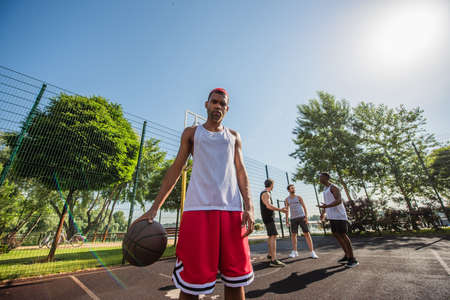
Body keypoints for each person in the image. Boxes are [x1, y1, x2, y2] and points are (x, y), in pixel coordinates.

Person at [134, 88, 255, 299]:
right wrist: (155, 208)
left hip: (231, 211)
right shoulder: (191, 133)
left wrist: (250, 207)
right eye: (214, 102)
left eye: (222, 104)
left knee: (236, 281)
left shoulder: (234, 137)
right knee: (192, 285)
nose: (218, 106)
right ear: (206, 104)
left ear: (227, 109)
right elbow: (176, 169)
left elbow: (241, 172)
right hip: (197, 211)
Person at [318, 172, 359, 268]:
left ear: (326, 178)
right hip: (332, 216)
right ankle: (347, 255)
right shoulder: (325, 189)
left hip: (339, 216)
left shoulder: (333, 187)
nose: (319, 179)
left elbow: (339, 200)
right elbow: (326, 203)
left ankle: (353, 259)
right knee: (336, 234)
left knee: (343, 235)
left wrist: (326, 206)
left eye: (321, 177)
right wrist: (323, 212)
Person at [284, 184, 318, 259]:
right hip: (293, 219)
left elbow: (304, 207)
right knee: (293, 235)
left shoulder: (299, 197)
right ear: (289, 190)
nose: (293, 189)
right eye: (292, 188)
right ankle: (295, 251)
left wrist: (306, 217)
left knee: (306, 234)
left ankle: (312, 252)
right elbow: (287, 210)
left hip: (301, 217)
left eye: (294, 188)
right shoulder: (287, 199)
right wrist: (287, 220)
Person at [260, 179, 287, 267]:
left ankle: (270, 254)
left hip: (267, 217)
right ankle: (273, 260)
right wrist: (280, 210)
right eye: (273, 184)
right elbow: (268, 206)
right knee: (273, 236)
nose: (274, 186)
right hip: (268, 218)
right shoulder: (266, 193)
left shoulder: (264, 192)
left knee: (271, 235)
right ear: (271, 185)